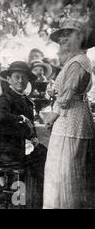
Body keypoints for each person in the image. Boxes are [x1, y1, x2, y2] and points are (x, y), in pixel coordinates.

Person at [43, 18, 95, 208]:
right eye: (62, 36)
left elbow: (65, 98)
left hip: (70, 121)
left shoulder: (79, 62)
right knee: (65, 170)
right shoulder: (74, 61)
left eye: (68, 35)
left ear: (80, 38)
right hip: (72, 118)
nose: (64, 39)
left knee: (65, 171)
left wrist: (51, 118)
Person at [0, 61, 47, 208]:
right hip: (6, 147)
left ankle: (33, 199)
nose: (20, 81)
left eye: (24, 78)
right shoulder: (5, 98)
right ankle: (19, 200)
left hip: (19, 145)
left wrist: (33, 138)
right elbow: (1, 117)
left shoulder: (26, 100)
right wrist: (20, 118)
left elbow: (30, 127)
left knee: (43, 153)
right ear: (9, 79)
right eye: (17, 77)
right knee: (36, 158)